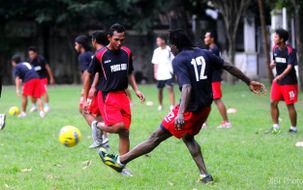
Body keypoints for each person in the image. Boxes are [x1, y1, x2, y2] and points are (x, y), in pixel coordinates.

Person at [97, 29, 265, 183]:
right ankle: (205, 175)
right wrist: (248, 82)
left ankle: (120, 161)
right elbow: (227, 66)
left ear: (176, 45)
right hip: (205, 108)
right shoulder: (205, 53)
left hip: (188, 110)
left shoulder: (179, 60)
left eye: (171, 44)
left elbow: (187, 87)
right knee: (188, 137)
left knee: (155, 137)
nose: (170, 48)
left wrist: (180, 114)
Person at [83, 23, 145, 156]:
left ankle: (122, 164)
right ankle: (97, 125)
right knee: (118, 127)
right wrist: (85, 97)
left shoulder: (126, 52)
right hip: (107, 96)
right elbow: (88, 75)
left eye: (122, 39)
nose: (119, 42)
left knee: (125, 132)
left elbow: (130, 72)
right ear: (109, 37)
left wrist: (136, 90)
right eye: (116, 39)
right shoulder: (100, 55)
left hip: (123, 96)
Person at [75, 32, 109, 149]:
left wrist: (87, 88)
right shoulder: (93, 54)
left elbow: (87, 73)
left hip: (92, 88)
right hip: (100, 87)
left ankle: (99, 137)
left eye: (76, 44)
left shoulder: (83, 56)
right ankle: (104, 138)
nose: (75, 47)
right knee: (98, 113)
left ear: (80, 45)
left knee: (84, 109)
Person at [265, 28, 298, 134]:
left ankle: (293, 128)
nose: (273, 38)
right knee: (272, 102)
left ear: (282, 39)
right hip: (278, 81)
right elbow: (273, 60)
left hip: (289, 81)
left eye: (275, 37)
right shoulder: (274, 48)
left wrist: (281, 76)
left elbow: (290, 67)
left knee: (289, 104)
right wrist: (271, 65)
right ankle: (276, 127)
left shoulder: (290, 50)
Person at [204, 31, 231, 128]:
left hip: (214, 78)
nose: (205, 39)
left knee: (217, 100)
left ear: (212, 39)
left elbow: (215, 65)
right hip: (210, 78)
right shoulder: (211, 49)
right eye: (205, 37)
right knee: (206, 101)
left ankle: (226, 122)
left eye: (207, 37)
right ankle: (204, 123)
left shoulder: (213, 50)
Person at [151, 35, 175, 111]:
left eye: (158, 40)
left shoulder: (169, 50)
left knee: (170, 88)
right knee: (160, 90)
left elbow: (173, 60)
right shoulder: (156, 51)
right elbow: (155, 63)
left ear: (163, 41)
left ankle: (172, 105)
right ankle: (160, 105)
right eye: (157, 41)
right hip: (160, 74)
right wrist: (155, 73)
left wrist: (173, 71)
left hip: (168, 73)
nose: (157, 42)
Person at [28, 46, 55, 112]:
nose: (31, 55)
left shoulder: (41, 59)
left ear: (35, 53)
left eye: (32, 54)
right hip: (33, 79)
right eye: (29, 54)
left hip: (42, 78)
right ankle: (34, 106)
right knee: (32, 93)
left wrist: (51, 78)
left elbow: (48, 68)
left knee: (43, 92)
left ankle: (46, 106)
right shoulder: (29, 60)